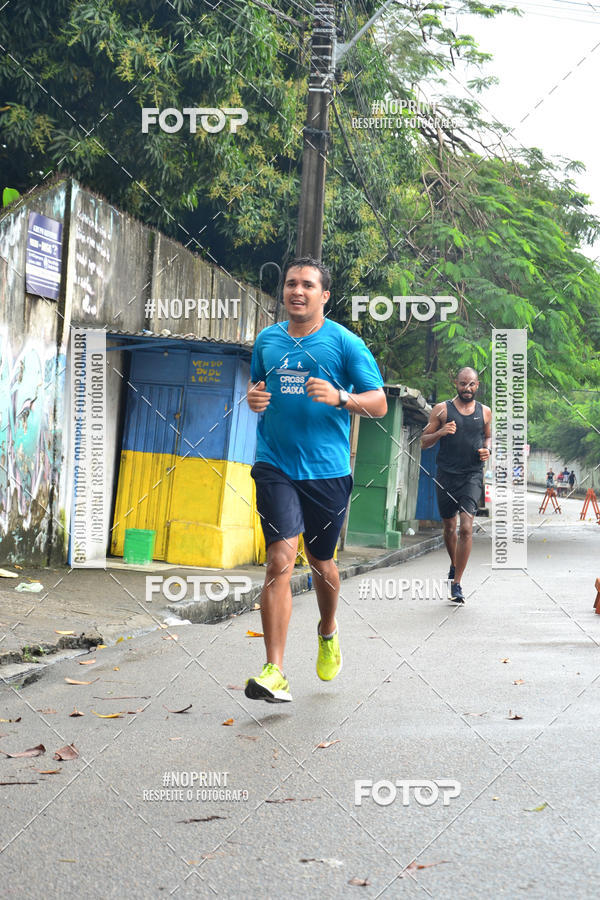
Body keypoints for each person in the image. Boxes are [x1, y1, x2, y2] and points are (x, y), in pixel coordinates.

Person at [244, 257, 387, 702]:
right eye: (291, 283)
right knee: (279, 560)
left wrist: (342, 397)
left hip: (327, 472)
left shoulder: (344, 343)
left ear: (324, 295)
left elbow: (379, 403)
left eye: (307, 285)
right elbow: (257, 387)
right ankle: (275, 671)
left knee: (321, 563)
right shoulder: (267, 340)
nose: (297, 291)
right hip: (275, 465)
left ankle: (327, 629)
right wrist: (253, 398)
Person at [420, 367, 491, 603]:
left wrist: (487, 449)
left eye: (471, 384)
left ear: (477, 385)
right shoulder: (442, 409)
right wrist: (441, 432)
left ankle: (457, 583)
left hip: (472, 475)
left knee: (466, 528)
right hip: (446, 476)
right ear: (456, 384)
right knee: (450, 527)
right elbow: (423, 442)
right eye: (463, 384)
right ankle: (454, 564)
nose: (467, 388)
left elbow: (488, 436)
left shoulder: (485, 411)